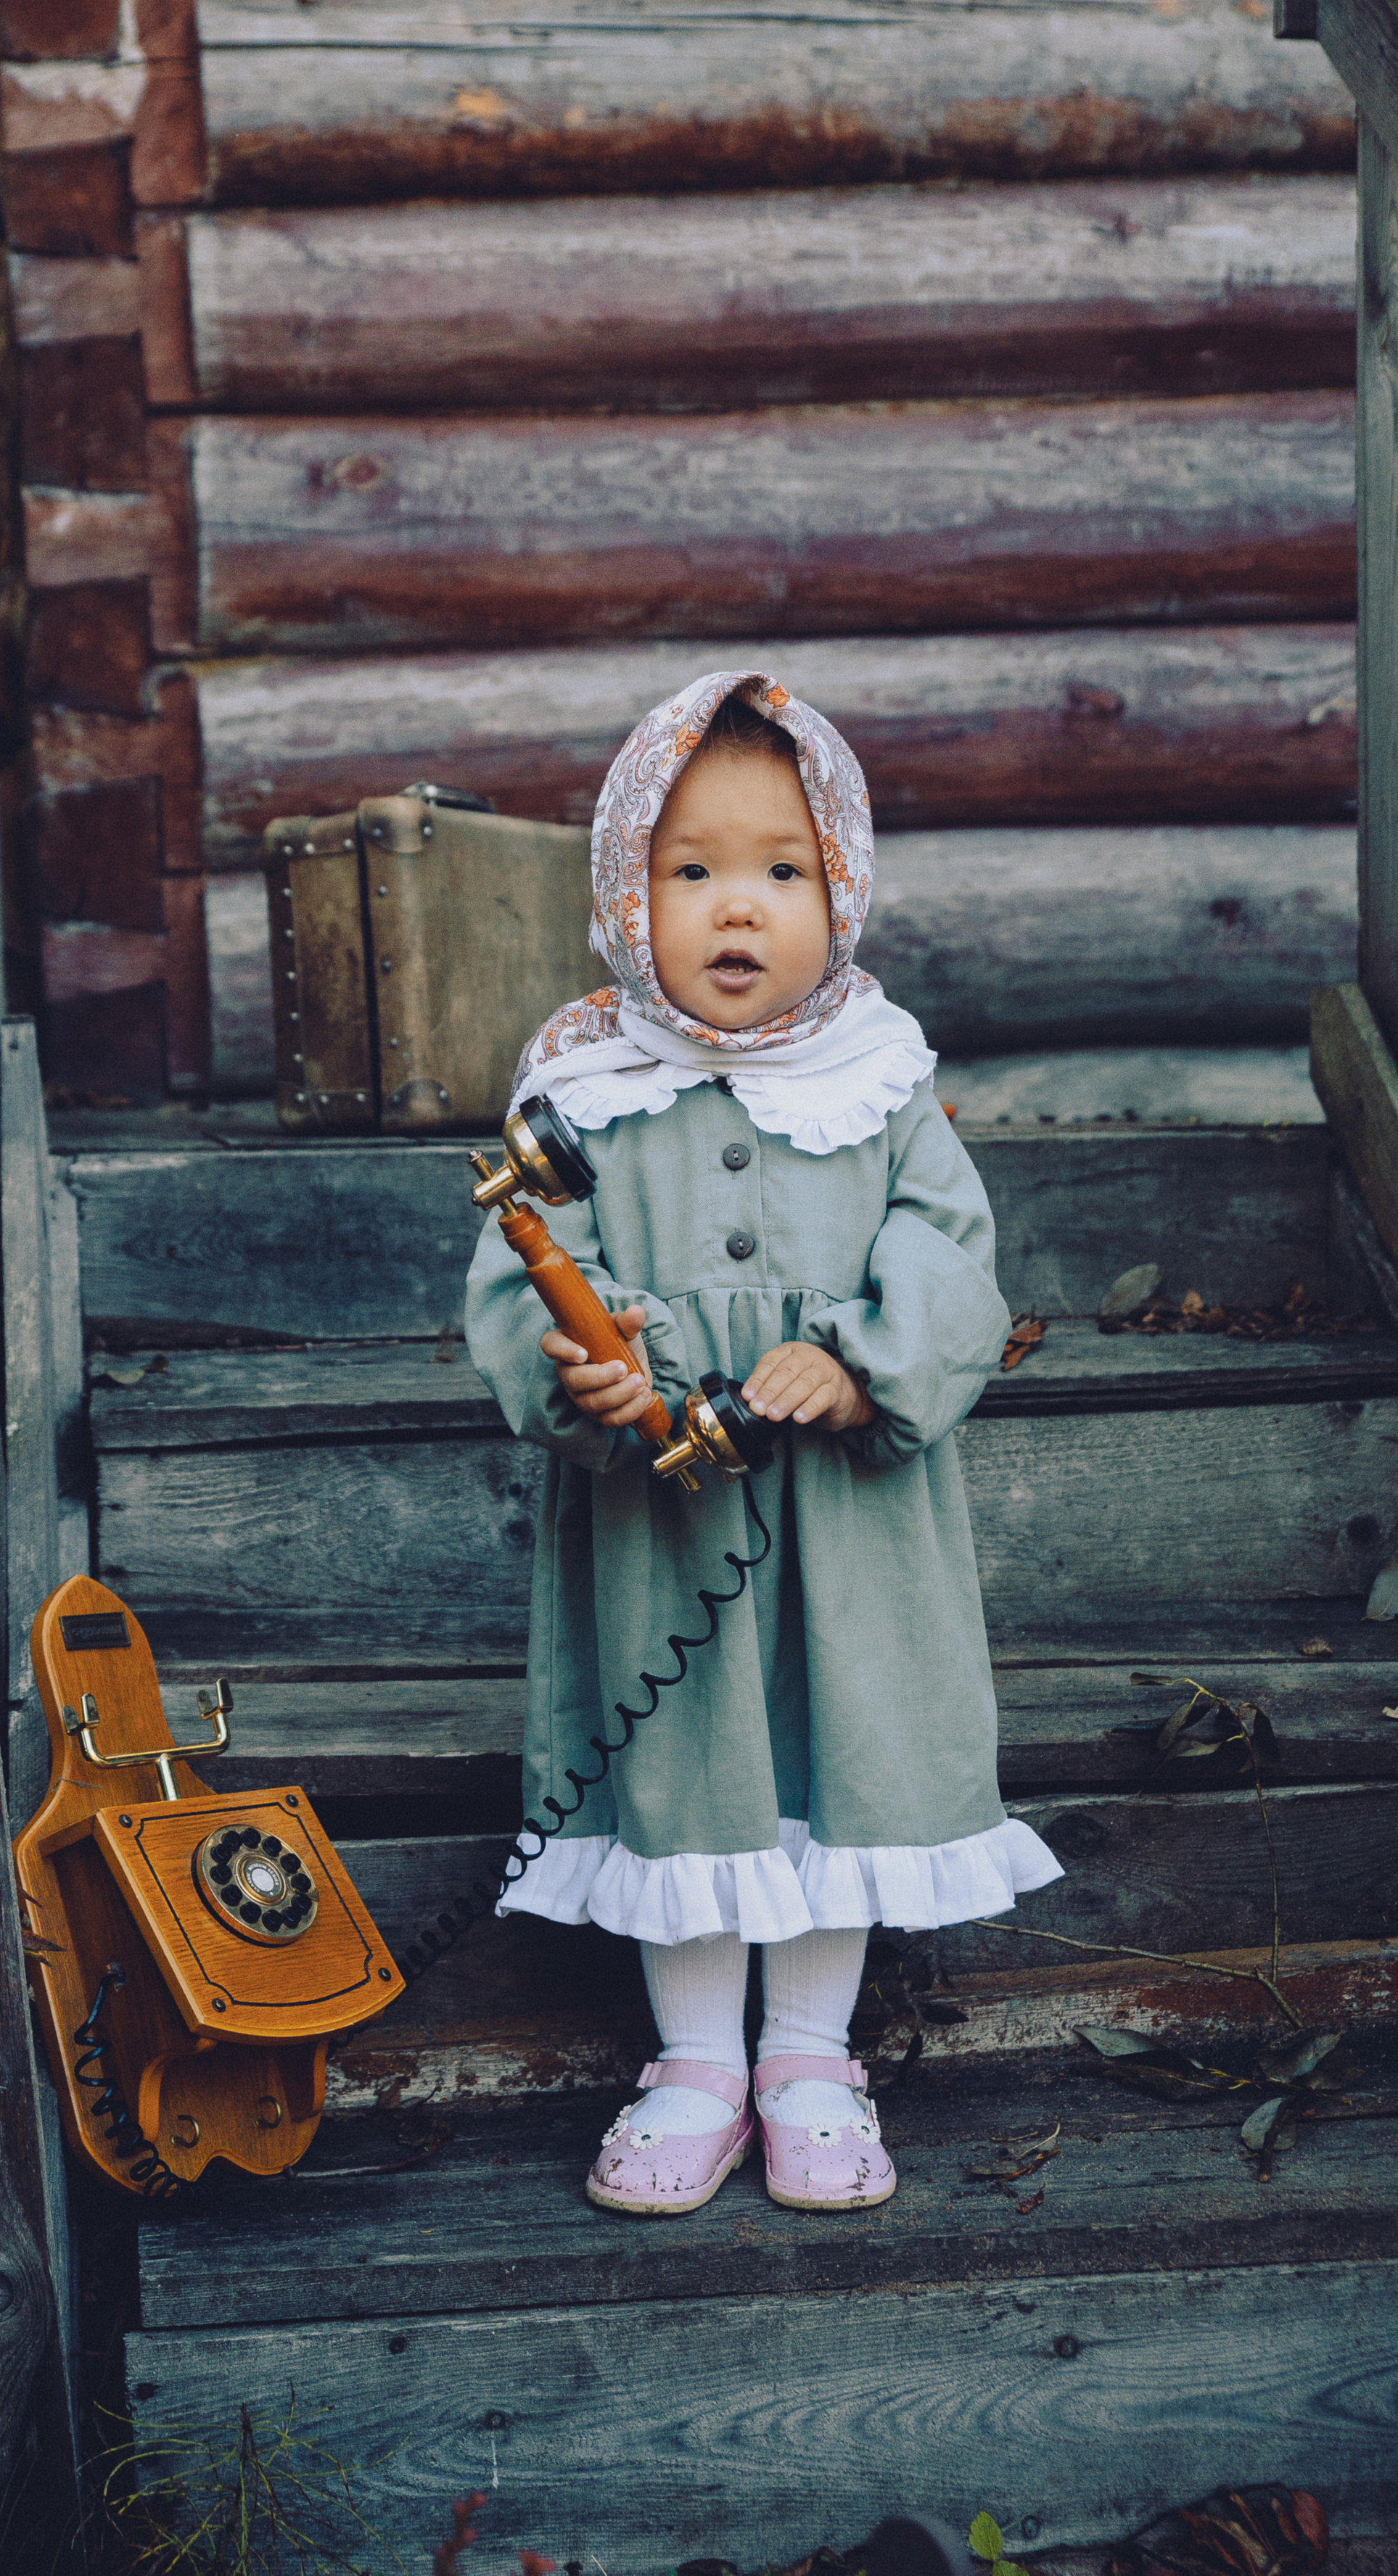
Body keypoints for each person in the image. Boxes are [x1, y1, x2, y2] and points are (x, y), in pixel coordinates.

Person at [463, 669, 1063, 2218]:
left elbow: (952, 1255)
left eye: (780, 872)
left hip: (854, 1524)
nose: (738, 910)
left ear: (839, 886)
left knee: (843, 1751)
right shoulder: (588, 1089)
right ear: (624, 890)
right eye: (692, 871)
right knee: (685, 1766)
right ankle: (692, 2063)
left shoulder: (875, 1085)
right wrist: (583, 1366)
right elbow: (521, 1262)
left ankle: (805, 2052)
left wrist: (863, 1362)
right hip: (661, 1520)